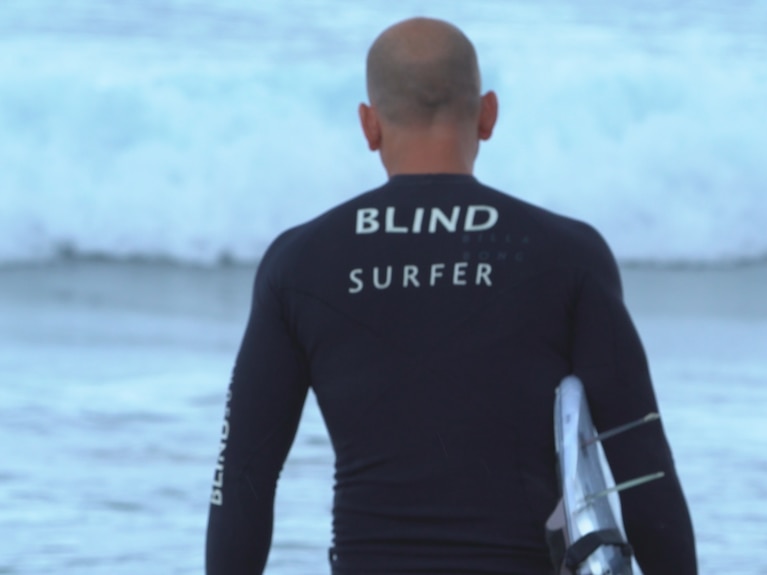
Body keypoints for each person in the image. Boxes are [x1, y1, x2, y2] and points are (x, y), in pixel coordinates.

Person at [205, 17, 697, 575]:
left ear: (368, 126)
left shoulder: (299, 262)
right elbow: (645, 470)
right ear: (488, 115)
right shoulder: (566, 254)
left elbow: (243, 477)